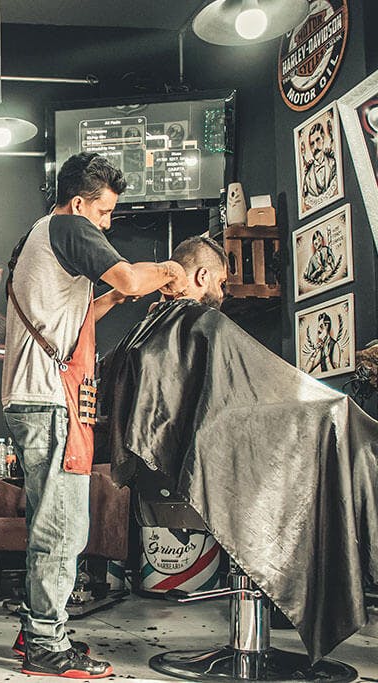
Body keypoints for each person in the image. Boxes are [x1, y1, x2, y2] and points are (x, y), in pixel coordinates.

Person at [104, 235, 378, 663]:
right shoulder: (205, 325)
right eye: (222, 281)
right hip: (224, 479)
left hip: (161, 484)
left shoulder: (147, 330)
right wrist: (334, 410)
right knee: (352, 442)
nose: (223, 291)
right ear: (200, 276)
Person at [1, 152, 188, 679]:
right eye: (105, 213)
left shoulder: (40, 236)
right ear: (81, 203)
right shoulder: (68, 226)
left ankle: (34, 628)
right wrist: (169, 271)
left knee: (49, 522)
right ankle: (46, 645)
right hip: (49, 401)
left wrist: (122, 296)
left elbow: (86, 310)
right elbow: (130, 277)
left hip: (32, 399)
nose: (107, 223)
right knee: (62, 530)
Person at [302, 121, 338, 201]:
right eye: (312, 144)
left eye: (317, 140)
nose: (315, 147)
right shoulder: (307, 178)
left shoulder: (333, 163)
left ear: (323, 139)